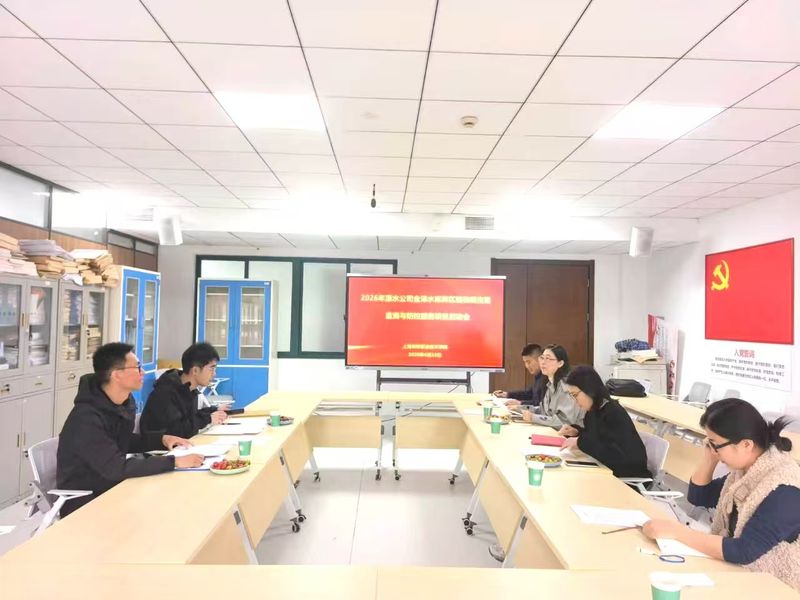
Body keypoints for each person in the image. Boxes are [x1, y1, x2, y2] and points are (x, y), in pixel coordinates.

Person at [642, 398, 800, 591]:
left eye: (715, 444)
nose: (712, 450)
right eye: (708, 443)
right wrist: (709, 460)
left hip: (777, 586)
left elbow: (744, 551)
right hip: (742, 574)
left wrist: (678, 532)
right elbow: (700, 497)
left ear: (746, 445)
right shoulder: (747, 470)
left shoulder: (785, 488)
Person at [57, 343, 204, 518]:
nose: (143, 372)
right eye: (137, 367)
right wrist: (174, 462)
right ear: (117, 375)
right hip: (87, 501)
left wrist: (162, 439)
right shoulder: (86, 418)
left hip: (113, 486)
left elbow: (124, 440)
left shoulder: (121, 403)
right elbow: (115, 467)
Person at [558, 365, 651, 479]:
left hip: (628, 477)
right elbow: (595, 438)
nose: (574, 400)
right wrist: (576, 432)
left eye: (575, 395)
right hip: (608, 470)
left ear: (589, 389)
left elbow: (612, 453)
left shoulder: (614, 413)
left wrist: (579, 442)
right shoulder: (594, 411)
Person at [140, 342, 228, 438]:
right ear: (195, 370)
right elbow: (175, 431)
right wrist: (208, 419)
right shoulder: (166, 392)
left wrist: (214, 410)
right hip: (161, 447)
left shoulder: (189, 389)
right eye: (211, 369)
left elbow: (191, 418)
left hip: (182, 444)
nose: (214, 374)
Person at [521, 344, 584, 428]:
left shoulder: (568, 386)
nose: (543, 362)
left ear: (560, 363)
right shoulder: (550, 383)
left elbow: (564, 422)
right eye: (542, 358)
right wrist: (519, 409)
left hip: (570, 434)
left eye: (548, 358)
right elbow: (543, 411)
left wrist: (533, 418)